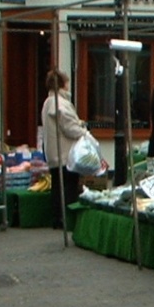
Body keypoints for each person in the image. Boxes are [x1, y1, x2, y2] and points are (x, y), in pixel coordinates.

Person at [41, 70, 88, 228]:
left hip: (54, 152)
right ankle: (65, 218)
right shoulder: (60, 104)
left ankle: (57, 218)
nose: (68, 86)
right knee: (68, 186)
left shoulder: (48, 101)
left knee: (57, 185)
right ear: (62, 84)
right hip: (65, 153)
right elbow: (69, 127)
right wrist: (84, 131)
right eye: (66, 83)